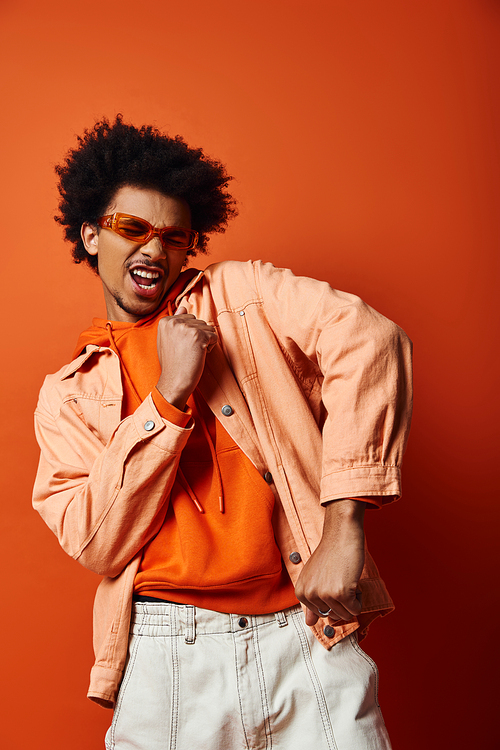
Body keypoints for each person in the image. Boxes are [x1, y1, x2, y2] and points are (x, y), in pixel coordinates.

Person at [33, 115, 412, 750]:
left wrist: (345, 527)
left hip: (306, 636)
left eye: (174, 237)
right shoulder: (69, 394)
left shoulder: (243, 296)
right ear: (92, 234)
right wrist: (169, 397)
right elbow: (94, 541)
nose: (155, 249)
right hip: (166, 658)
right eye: (132, 229)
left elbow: (373, 342)